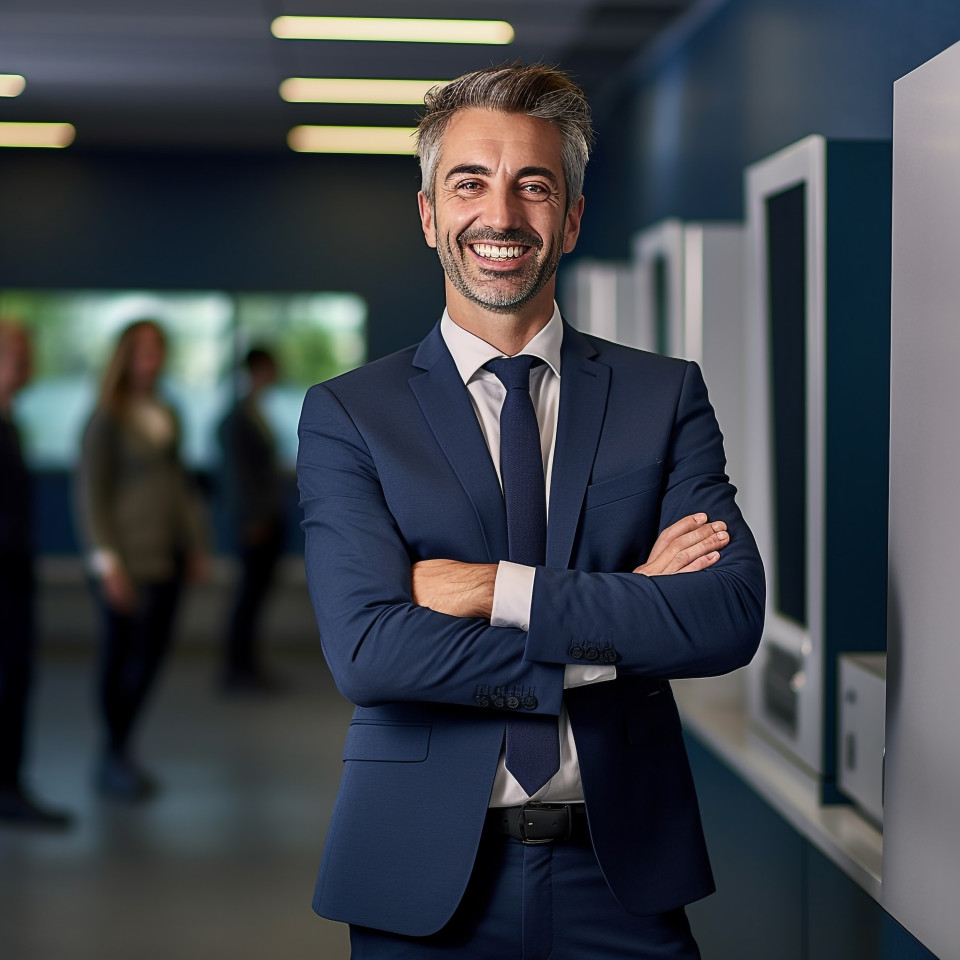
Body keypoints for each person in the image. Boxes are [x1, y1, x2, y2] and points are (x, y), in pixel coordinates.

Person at [296, 63, 765, 958]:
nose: (502, 216)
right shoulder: (352, 413)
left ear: (572, 218)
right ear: (431, 214)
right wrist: (616, 625)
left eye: (534, 187)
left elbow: (724, 617)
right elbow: (370, 651)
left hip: (622, 877)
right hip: (420, 879)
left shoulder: (661, 397)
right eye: (470, 183)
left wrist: (493, 588)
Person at [75, 320, 207, 800]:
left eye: (158, 350)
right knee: (120, 661)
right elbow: (91, 495)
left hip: (167, 558)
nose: (151, 359)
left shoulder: (167, 414)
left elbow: (180, 487)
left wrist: (196, 543)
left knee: (150, 659)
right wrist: (107, 564)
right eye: (142, 350)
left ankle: (124, 746)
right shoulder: (106, 417)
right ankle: (112, 752)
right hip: (126, 564)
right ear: (125, 357)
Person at [0, 321, 73, 828]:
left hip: (14, 579)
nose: (26, 366)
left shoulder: (10, 423)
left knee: (15, 682)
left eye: (27, 355)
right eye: (15, 355)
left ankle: (9, 784)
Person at [216, 346, 286, 693]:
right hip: (254, 522)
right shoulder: (238, 417)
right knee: (247, 596)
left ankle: (247, 665)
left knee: (255, 596)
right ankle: (237, 668)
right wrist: (252, 518)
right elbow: (238, 477)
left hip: (265, 517)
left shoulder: (256, 411)